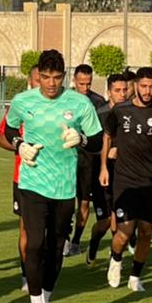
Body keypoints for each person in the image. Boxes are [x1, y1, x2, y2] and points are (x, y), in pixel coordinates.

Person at [2, 49, 104, 303]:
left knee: (56, 247)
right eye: (45, 77)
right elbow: (9, 130)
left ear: (64, 77)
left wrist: (81, 138)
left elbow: (97, 140)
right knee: (34, 243)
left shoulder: (79, 103)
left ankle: (45, 299)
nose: (50, 83)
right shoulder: (23, 101)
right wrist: (20, 145)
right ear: (38, 76)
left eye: (56, 77)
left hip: (64, 187)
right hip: (32, 183)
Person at [99, 67, 152, 291]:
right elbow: (107, 136)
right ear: (136, 86)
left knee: (146, 231)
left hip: (150, 182)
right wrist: (103, 167)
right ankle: (115, 259)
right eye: (143, 86)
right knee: (124, 232)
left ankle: (135, 277)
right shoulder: (120, 110)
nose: (147, 91)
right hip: (124, 180)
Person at [0, 66, 40, 291]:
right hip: (24, 178)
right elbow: (1, 137)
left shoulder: (60, 106)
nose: (42, 83)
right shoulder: (20, 106)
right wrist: (20, 147)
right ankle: (27, 274)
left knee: (49, 231)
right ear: (30, 81)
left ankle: (43, 271)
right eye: (38, 79)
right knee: (26, 229)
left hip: (54, 178)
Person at [85, 73, 132, 264]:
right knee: (104, 222)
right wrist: (105, 153)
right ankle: (94, 243)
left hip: (125, 175)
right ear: (108, 92)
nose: (122, 94)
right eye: (117, 90)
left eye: (125, 90)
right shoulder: (99, 115)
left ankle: (115, 259)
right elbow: (90, 144)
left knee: (120, 220)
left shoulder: (132, 114)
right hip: (101, 174)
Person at [67, 63, 111, 256]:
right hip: (66, 160)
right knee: (65, 202)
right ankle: (63, 238)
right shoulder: (64, 99)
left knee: (84, 203)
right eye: (81, 83)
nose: (85, 87)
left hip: (89, 163)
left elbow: (103, 135)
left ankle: (75, 241)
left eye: (88, 83)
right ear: (74, 81)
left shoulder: (98, 102)